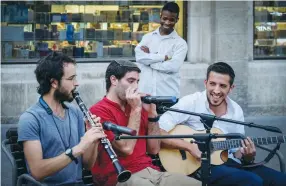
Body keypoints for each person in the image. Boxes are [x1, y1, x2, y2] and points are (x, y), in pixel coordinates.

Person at [158, 62, 286, 186]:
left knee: (280, 180)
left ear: (231, 88)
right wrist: (189, 147)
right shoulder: (190, 102)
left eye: (223, 86)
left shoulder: (236, 110)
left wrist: (247, 156)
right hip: (197, 165)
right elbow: (157, 132)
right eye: (212, 84)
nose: (216, 90)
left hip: (228, 163)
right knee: (252, 181)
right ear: (205, 83)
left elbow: (237, 153)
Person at [89, 60, 200, 186]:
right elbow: (126, 149)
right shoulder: (99, 110)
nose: (136, 87)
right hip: (121, 177)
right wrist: (136, 110)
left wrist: (152, 115)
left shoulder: (136, 106)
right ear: (114, 80)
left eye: (137, 81)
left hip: (151, 172)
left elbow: (154, 149)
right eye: (131, 81)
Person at [18, 52, 106, 185]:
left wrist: (92, 140)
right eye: (71, 79)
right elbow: (37, 172)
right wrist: (78, 149)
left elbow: (87, 165)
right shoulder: (30, 118)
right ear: (54, 82)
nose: (76, 84)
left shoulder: (75, 113)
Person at [135, 2, 187, 98]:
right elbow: (139, 57)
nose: (167, 22)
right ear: (160, 16)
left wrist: (150, 61)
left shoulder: (181, 44)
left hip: (167, 95)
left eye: (172, 20)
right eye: (165, 18)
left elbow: (173, 66)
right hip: (144, 94)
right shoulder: (147, 38)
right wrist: (163, 57)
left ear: (177, 20)